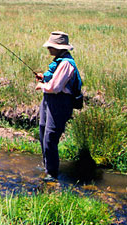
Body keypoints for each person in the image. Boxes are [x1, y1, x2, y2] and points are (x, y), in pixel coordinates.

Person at [35, 31, 82, 181]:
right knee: (43, 130)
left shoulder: (66, 63)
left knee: (50, 137)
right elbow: (54, 81)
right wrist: (44, 78)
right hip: (49, 100)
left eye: (51, 46)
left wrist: (41, 85)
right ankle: (47, 165)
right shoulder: (59, 60)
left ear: (60, 48)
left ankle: (52, 173)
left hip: (60, 103)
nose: (48, 48)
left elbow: (55, 87)